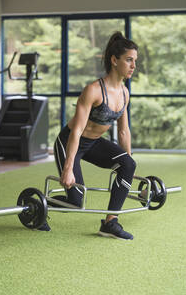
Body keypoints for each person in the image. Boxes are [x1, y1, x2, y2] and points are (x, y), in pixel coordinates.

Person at [41, 31, 138, 240]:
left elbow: (123, 131)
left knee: (129, 164)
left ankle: (110, 223)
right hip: (69, 141)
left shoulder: (124, 93)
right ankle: (38, 205)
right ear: (114, 60)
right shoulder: (93, 90)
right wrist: (68, 169)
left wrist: (127, 160)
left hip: (94, 143)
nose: (133, 66)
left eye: (135, 61)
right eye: (129, 60)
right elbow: (76, 130)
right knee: (76, 200)